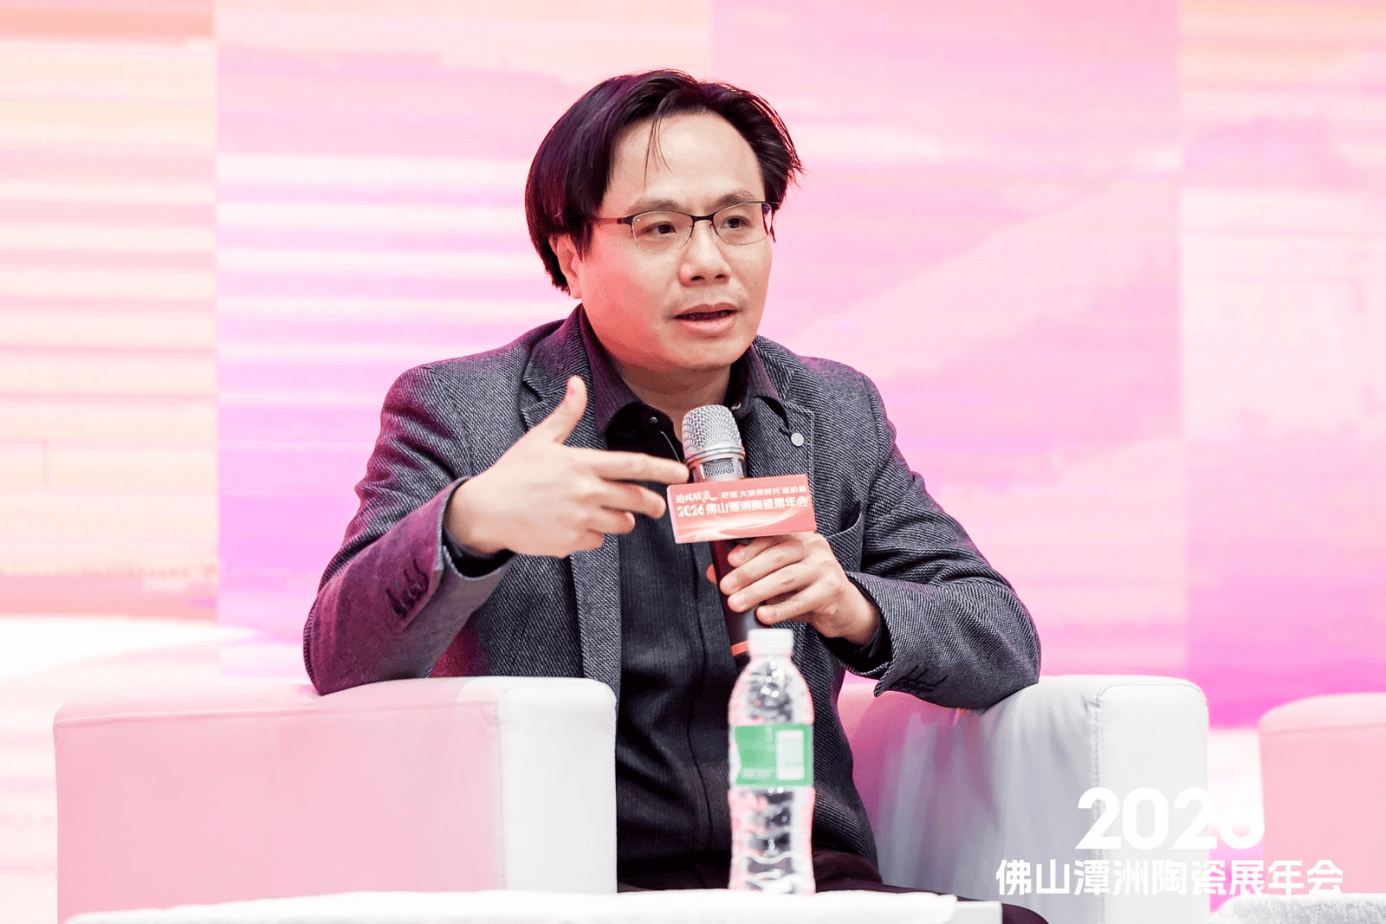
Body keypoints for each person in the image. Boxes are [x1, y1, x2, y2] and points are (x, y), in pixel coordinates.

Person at [304, 69, 1044, 922]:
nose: (708, 263)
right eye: (659, 227)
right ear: (569, 252)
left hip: (802, 881)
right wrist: (470, 522)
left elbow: (1002, 638)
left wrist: (855, 607)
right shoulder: (466, 412)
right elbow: (339, 654)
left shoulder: (834, 412)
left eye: (736, 221)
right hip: (573, 890)